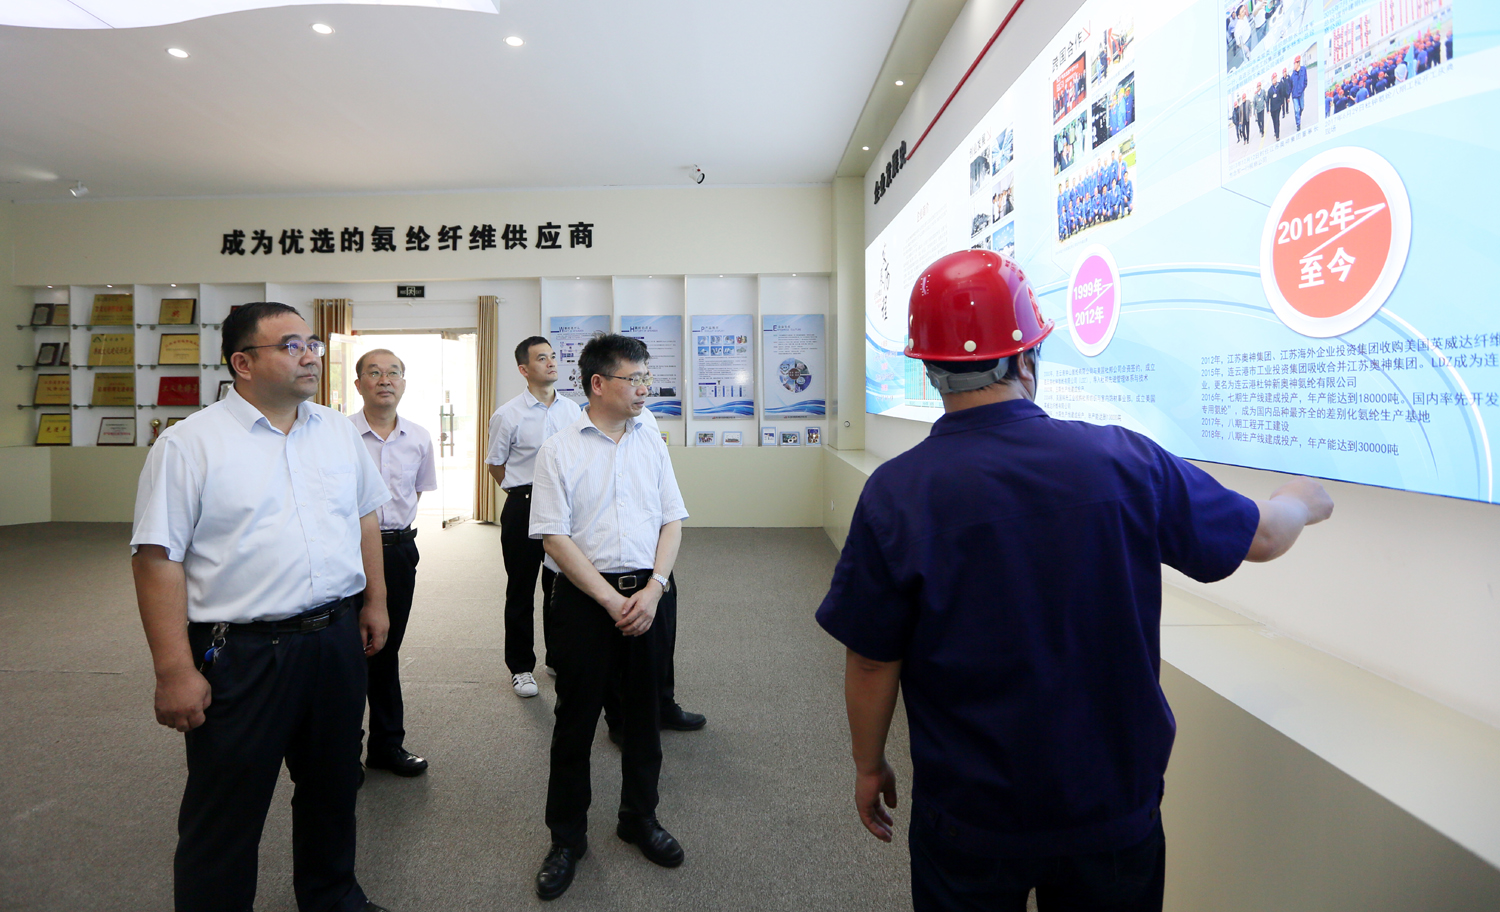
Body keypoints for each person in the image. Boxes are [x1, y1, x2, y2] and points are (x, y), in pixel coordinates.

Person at [816, 250, 1333, 912]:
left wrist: (868, 765)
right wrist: (1300, 501)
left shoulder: (897, 494)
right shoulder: (1123, 460)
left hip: (970, 816)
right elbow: (1261, 537)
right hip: (1110, 810)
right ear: (1026, 357)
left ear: (928, 368)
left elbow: (871, 660)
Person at [131, 302, 396, 912]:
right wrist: (174, 670)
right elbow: (156, 559)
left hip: (334, 639)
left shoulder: (336, 431)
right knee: (228, 805)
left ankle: (332, 897)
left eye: (312, 343)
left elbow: (365, 516)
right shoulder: (189, 444)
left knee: (333, 785)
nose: (310, 356)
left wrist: (375, 601)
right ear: (243, 363)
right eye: (290, 345)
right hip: (244, 653)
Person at [529, 333, 690, 900]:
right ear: (598, 384)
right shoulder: (559, 450)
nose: (645, 388)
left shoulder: (651, 438)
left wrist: (655, 588)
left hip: (649, 596)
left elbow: (672, 519)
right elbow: (554, 537)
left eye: (647, 377)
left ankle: (639, 819)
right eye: (634, 378)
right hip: (584, 601)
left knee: (645, 717)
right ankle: (566, 838)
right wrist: (609, 600)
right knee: (575, 723)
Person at [350, 348, 437, 777]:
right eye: (374, 372)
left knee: (385, 649)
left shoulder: (419, 437)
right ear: (358, 384)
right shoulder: (340, 434)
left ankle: (386, 745)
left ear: (403, 383)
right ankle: (345, 753)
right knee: (348, 654)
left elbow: (416, 493)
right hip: (347, 553)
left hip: (399, 551)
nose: (385, 380)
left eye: (394, 373)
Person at [487, 336, 582, 698]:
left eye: (553, 356)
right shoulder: (508, 414)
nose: (552, 362)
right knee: (521, 588)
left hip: (564, 507)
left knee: (559, 586)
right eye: (542, 358)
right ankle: (521, 668)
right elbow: (496, 464)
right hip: (523, 505)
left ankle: (557, 657)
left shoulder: (572, 410)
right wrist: (522, 493)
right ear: (524, 369)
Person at [1291, 56, 1308, 129]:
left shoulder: (1303, 69)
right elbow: (1290, 86)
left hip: (1301, 93)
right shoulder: (1292, 75)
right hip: (1294, 95)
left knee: (1302, 107)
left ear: (1298, 63)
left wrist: (1303, 88)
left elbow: (1305, 80)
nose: (1294, 65)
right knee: (1296, 110)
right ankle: (1298, 124)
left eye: (1295, 63)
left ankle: (1299, 115)